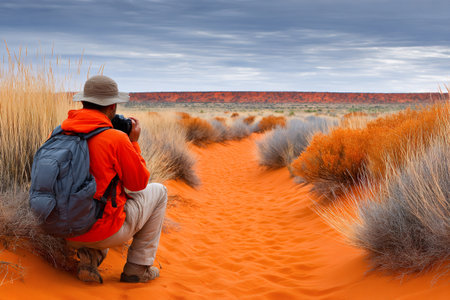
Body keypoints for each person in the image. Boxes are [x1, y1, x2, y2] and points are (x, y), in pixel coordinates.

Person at [64, 75, 168, 283]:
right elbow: (138, 184)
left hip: (64, 231)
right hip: (103, 231)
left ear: (83, 102)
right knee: (159, 192)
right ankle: (137, 269)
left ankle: (88, 260)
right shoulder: (116, 139)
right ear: (112, 106)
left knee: (96, 200)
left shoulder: (61, 132)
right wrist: (134, 142)